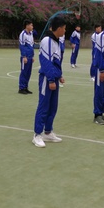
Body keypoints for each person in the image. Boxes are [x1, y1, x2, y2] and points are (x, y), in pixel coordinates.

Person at [32, 16, 66, 148]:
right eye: (64, 28)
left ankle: (48, 132)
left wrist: (59, 75)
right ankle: (37, 134)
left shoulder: (57, 42)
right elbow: (46, 62)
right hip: (47, 79)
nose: (65, 31)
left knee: (53, 106)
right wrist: (51, 79)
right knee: (44, 105)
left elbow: (56, 62)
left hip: (53, 78)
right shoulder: (47, 41)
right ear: (59, 28)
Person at [18, 20, 34, 94]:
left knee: (28, 73)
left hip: (30, 56)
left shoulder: (31, 34)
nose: (32, 27)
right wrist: (24, 56)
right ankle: (21, 88)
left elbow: (31, 45)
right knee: (24, 72)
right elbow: (22, 46)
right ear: (27, 26)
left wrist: (32, 56)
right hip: (25, 57)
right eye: (31, 25)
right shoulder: (23, 34)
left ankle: (26, 87)